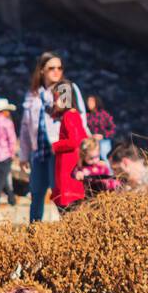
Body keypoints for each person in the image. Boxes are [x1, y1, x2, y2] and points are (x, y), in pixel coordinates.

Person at [20, 52, 89, 222]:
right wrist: (23, 153)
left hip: (59, 151)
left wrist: (86, 150)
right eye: (51, 68)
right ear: (42, 70)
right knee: (36, 193)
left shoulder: (66, 89)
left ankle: (68, 232)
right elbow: (25, 125)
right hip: (39, 150)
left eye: (60, 68)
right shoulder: (32, 95)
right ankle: (34, 236)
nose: (56, 71)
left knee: (60, 193)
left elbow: (80, 119)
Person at [48, 81, 88, 214]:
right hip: (73, 165)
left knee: (66, 209)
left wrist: (54, 146)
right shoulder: (75, 115)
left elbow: (73, 141)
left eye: (56, 98)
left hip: (67, 167)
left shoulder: (68, 116)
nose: (54, 102)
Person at [84, 95, 117, 163]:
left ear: (96, 102)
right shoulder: (86, 115)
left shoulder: (104, 114)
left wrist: (102, 136)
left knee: (105, 159)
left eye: (91, 101)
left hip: (104, 141)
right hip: (90, 142)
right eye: (88, 101)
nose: (89, 103)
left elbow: (112, 129)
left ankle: (109, 172)